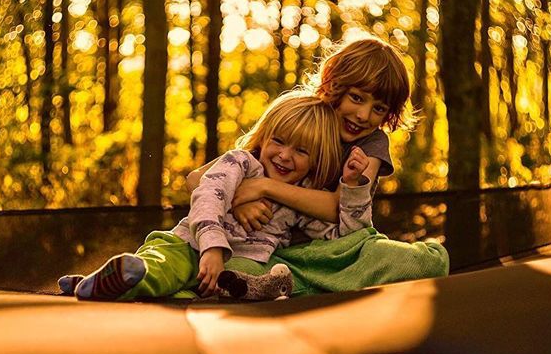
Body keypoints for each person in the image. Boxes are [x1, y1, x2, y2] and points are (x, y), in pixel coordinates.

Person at [186, 35, 449, 296]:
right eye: (357, 98)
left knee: (427, 260)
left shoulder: (371, 144)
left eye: (378, 109)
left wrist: (264, 187)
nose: (363, 115)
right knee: (237, 264)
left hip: (335, 250)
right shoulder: (300, 119)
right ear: (334, 84)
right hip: (270, 249)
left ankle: (287, 284)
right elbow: (198, 178)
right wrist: (238, 201)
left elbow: (337, 208)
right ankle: (285, 284)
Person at [59, 93, 376, 301]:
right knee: (165, 267)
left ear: (316, 160)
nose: (284, 155)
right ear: (264, 137)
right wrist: (211, 246)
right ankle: (128, 276)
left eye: (301, 151)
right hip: (189, 244)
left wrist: (354, 187)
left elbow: (343, 235)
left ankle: (99, 286)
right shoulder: (239, 163)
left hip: (234, 266)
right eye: (278, 141)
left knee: (225, 281)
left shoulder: (299, 199)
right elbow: (208, 194)